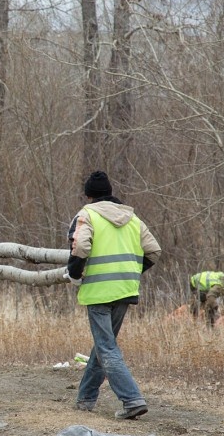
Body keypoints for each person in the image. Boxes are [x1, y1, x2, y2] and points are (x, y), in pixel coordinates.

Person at [66, 170, 161, 420]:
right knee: (103, 346)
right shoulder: (132, 218)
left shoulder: (87, 215)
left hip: (99, 291)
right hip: (125, 289)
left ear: (88, 195)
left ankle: (132, 400)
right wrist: (132, 271)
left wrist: (74, 273)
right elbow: (153, 251)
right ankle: (86, 398)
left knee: (106, 347)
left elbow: (81, 247)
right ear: (110, 192)